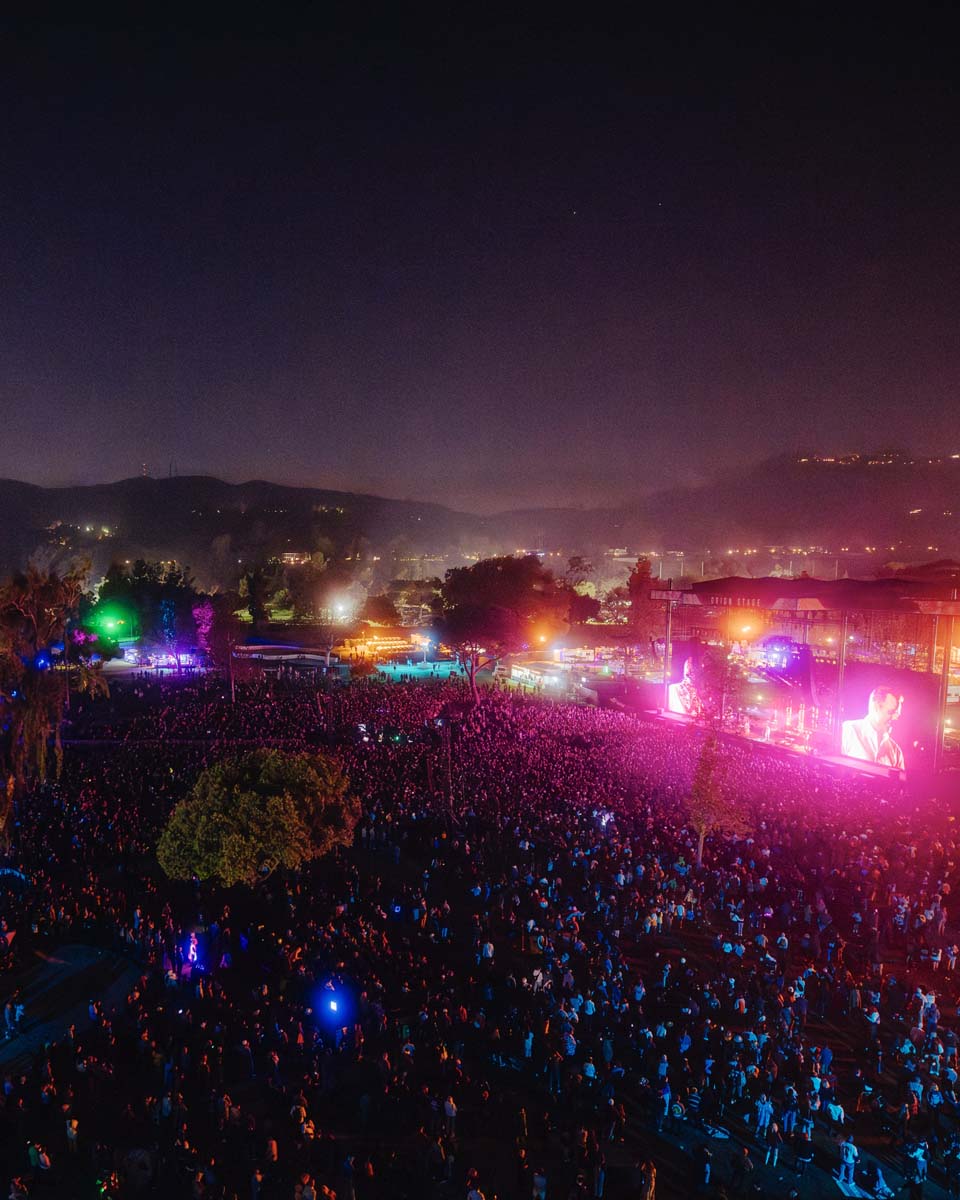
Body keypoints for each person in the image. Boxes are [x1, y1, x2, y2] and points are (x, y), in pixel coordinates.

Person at [841, 686, 906, 769]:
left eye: (897, 714)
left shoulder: (896, 752)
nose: (895, 718)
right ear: (876, 706)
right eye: (891, 712)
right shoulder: (848, 730)